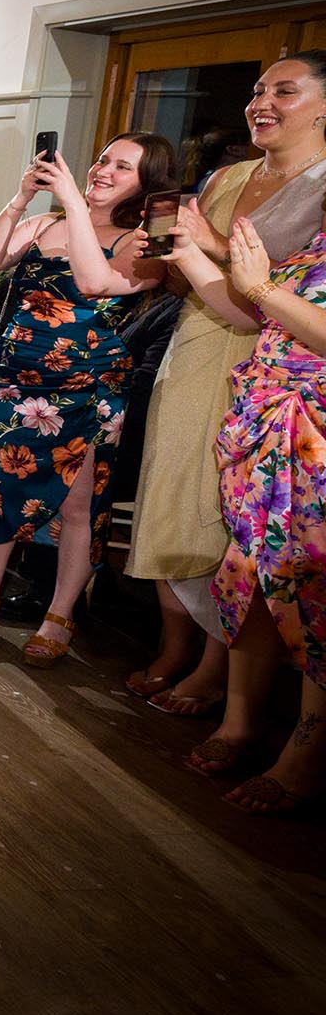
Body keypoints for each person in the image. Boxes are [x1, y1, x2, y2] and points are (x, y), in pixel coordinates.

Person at [125, 51, 326, 713]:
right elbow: (180, 273)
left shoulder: (322, 185)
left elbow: (277, 291)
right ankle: (177, 643)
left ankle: (216, 667)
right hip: (198, 341)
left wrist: (204, 241)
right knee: (172, 495)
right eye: (257, 90)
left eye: (284, 91)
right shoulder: (228, 174)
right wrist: (156, 251)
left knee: (233, 514)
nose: (261, 101)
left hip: (270, 356)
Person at [0, 134, 171, 665]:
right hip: (13, 381)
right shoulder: (43, 225)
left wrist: (74, 202)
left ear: (146, 185)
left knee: (77, 504)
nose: (102, 171)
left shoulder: (142, 242)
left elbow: (94, 282)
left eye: (123, 167)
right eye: (102, 160)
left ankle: (60, 611)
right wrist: (21, 199)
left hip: (88, 390)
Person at [171, 212, 326, 814]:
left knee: (311, 585)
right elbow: (260, 317)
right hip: (264, 431)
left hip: (313, 433)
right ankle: (241, 723)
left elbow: (272, 303)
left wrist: (263, 286)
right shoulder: (317, 244)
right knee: (252, 573)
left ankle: (307, 752)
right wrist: (188, 252)